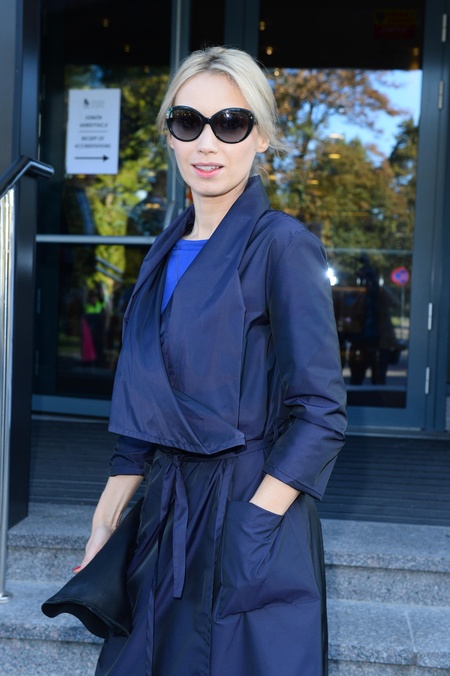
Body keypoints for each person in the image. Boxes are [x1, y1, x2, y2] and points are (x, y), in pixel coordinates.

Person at [75, 46, 347, 676]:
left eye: (231, 123)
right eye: (187, 121)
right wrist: (104, 525)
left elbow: (321, 413)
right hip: (165, 511)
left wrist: (254, 522)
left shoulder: (284, 246)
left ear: (263, 137)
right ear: (169, 135)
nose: (207, 142)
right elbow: (143, 410)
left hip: (251, 508)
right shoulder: (162, 251)